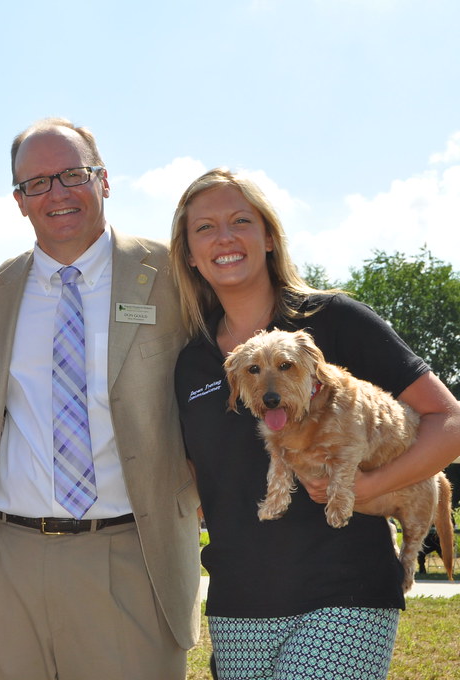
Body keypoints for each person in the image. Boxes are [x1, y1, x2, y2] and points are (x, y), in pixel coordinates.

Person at [170, 167, 460, 679]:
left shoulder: (335, 320)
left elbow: (449, 420)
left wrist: (372, 485)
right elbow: (200, 476)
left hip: (345, 594)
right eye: (205, 228)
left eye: (241, 220)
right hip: (239, 604)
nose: (225, 237)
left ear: (268, 236)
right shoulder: (190, 361)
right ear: (189, 254)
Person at [0, 118, 202, 679]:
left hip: (131, 553)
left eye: (72, 174)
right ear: (19, 201)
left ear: (104, 180)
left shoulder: (173, 275)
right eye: (36, 183)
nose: (56, 193)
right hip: (9, 558)